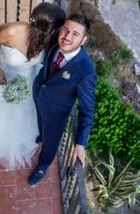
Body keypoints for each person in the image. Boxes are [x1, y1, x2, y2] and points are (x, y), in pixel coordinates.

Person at [0, 3, 66, 173]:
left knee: (15, 118)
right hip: (0, 78)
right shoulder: (11, 30)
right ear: (51, 27)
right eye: (59, 28)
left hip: (25, 82)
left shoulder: (51, 41)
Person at [29, 13, 97, 185]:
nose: (67, 37)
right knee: (38, 119)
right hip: (38, 91)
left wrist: (80, 143)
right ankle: (40, 135)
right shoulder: (55, 42)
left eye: (75, 34)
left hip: (56, 114)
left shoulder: (86, 71)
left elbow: (87, 110)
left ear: (83, 40)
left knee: (50, 144)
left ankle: (43, 166)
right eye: (65, 30)